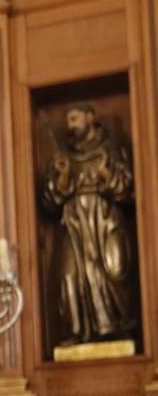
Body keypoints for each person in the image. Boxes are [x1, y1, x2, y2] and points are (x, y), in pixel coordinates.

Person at [40, 101, 135, 345]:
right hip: (73, 224)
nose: (71, 125)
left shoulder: (110, 150)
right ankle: (74, 331)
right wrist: (62, 178)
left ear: (90, 117)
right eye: (69, 120)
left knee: (108, 271)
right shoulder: (64, 157)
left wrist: (105, 174)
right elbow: (50, 202)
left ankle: (113, 328)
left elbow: (127, 191)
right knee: (69, 276)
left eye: (75, 119)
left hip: (104, 220)